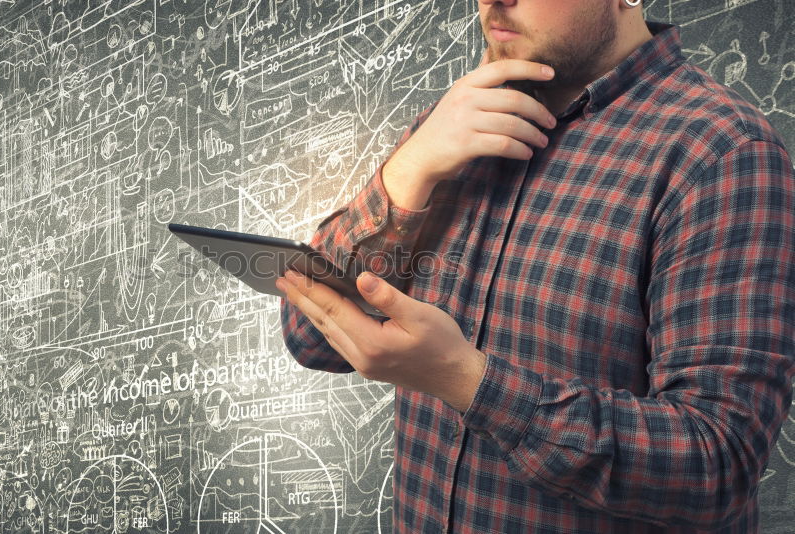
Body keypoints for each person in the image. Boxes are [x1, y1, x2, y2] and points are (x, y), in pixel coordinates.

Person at [275, 0, 795, 532]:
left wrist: (466, 381)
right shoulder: (451, 124)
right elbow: (310, 336)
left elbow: (718, 463)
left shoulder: (722, 153)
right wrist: (409, 169)